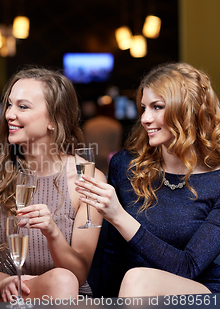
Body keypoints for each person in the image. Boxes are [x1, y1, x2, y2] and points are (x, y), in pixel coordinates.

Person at [75, 62, 220, 297]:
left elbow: (189, 267)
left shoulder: (217, 180)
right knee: (135, 278)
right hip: (136, 294)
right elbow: (115, 252)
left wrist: (119, 216)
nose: (144, 118)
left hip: (201, 292)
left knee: (138, 277)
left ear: (187, 109)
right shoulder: (126, 165)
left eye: (157, 107)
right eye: (143, 108)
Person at [0, 67, 106, 306]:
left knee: (62, 281)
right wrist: (2, 281)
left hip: (67, 298)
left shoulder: (87, 178)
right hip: (6, 298)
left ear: (54, 119)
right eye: (9, 105)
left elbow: (79, 273)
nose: (9, 114)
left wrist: (52, 233)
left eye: (23, 107)